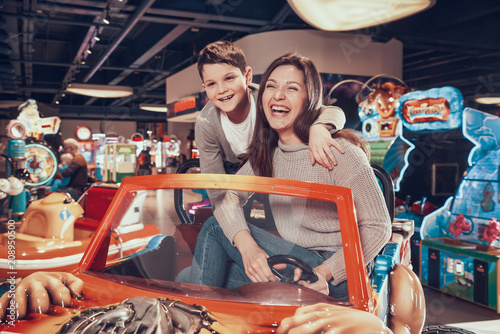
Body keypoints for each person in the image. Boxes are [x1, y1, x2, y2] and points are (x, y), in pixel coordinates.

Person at [182, 53, 392, 300]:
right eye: (271, 86)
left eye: (291, 88)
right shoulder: (268, 153)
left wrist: (325, 272)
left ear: (309, 99)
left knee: (215, 230)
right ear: (262, 99)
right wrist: (249, 249)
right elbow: (228, 195)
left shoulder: (338, 150)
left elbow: (379, 227)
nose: (278, 95)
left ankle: (195, 314)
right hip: (296, 261)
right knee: (191, 277)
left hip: (338, 272)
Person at [195, 41, 346, 195]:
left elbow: (333, 111)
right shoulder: (206, 124)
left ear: (247, 76)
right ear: (205, 87)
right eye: (211, 84)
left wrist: (319, 128)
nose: (221, 90)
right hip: (232, 180)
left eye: (229, 78)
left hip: (273, 170)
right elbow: (213, 183)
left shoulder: (268, 98)